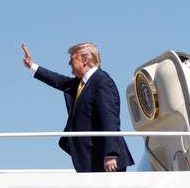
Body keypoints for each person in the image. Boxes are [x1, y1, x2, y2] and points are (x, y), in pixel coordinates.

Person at [21, 41, 135, 172]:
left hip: (104, 161)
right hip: (91, 159)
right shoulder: (82, 83)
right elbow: (59, 81)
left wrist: (111, 154)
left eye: (72, 59)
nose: (69, 63)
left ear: (85, 60)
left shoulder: (102, 82)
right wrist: (32, 66)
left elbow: (109, 118)